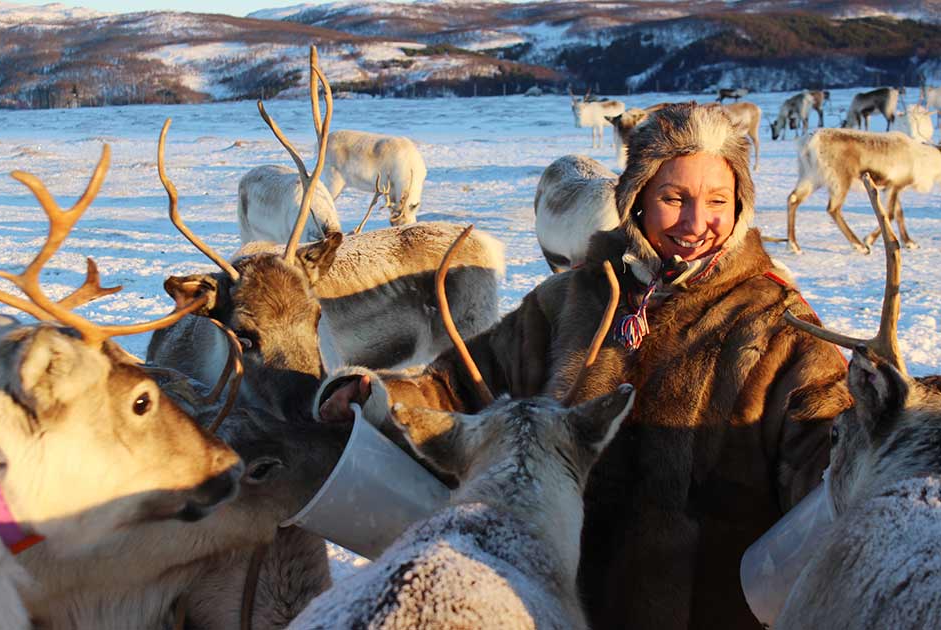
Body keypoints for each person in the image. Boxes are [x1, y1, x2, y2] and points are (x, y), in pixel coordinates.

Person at [315, 102, 851, 630]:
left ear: (740, 206)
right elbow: (456, 391)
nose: (695, 222)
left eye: (717, 200)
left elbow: (826, 454)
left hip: (706, 611)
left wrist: (877, 456)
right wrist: (373, 397)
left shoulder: (778, 324)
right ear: (636, 199)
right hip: (549, 605)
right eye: (673, 197)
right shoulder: (570, 298)